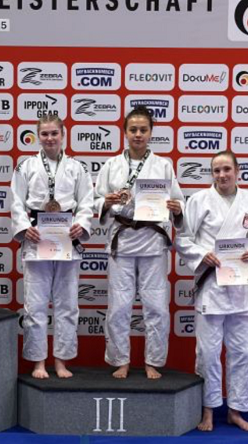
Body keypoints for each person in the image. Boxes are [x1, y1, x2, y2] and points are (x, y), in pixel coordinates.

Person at [175, 150, 248, 432]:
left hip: (240, 288)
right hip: (212, 286)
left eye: (227, 169)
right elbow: (183, 238)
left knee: (243, 353)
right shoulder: (199, 200)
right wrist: (203, 254)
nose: (222, 175)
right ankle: (208, 410)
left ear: (238, 171)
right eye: (216, 170)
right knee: (208, 353)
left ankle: (236, 410)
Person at [94, 107, 184, 380]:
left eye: (143, 129)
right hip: (122, 240)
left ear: (151, 133)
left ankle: (153, 361)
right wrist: (105, 203)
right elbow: (95, 201)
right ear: (125, 132)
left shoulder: (163, 165)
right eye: (133, 129)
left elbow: (179, 201)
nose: (138, 134)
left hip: (153, 241)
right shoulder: (111, 165)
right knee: (119, 306)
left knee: (156, 306)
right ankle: (120, 360)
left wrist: (176, 208)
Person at [11, 115, 93, 379]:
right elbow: (16, 202)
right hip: (38, 238)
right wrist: (25, 227)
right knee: (35, 305)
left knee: (67, 304)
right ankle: (38, 362)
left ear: (63, 134)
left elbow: (86, 202)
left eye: (54, 133)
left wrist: (81, 224)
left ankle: (60, 361)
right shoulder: (26, 166)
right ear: (38, 136)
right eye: (44, 134)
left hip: (66, 238)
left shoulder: (77, 168)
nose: (49, 138)